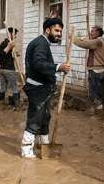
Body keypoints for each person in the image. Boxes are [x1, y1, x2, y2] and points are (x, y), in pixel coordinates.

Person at [20, 18, 71, 158]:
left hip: (43, 88)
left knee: (45, 117)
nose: (59, 34)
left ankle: (44, 145)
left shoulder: (42, 43)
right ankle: (26, 151)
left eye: (61, 31)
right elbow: (38, 63)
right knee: (35, 119)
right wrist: (58, 67)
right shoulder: (41, 43)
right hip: (38, 89)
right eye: (56, 30)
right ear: (47, 30)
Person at [73, 26, 104, 110]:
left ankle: (98, 108)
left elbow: (85, 44)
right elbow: (88, 41)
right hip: (99, 69)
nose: (91, 33)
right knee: (97, 89)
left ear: (98, 33)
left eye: (92, 31)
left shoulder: (98, 41)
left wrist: (73, 38)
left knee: (95, 90)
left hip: (96, 70)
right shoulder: (102, 41)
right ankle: (97, 106)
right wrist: (83, 39)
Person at [0, 27, 20, 108]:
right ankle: (16, 105)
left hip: (2, 68)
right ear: (10, 34)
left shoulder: (2, 43)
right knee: (14, 87)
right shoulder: (10, 44)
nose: (16, 36)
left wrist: (15, 53)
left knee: (3, 87)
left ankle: (1, 102)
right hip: (9, 69)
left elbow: (5, 55)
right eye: (15, 34)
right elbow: (10, 54)